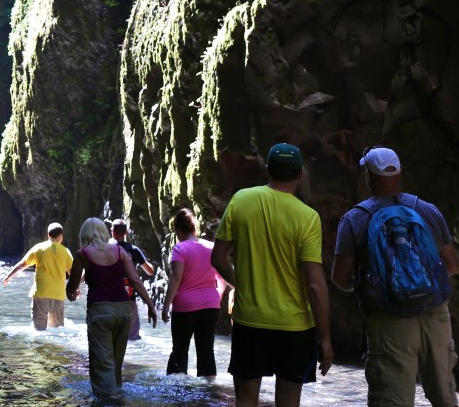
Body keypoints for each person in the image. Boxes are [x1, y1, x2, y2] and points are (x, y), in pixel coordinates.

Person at [331, 147, 459, 407]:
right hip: (435, 313)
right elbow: (453, 266)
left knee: (392, 399)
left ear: (368, 176)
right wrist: (421, 284)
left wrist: (381, 285)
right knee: (444, 397)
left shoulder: (355, 219)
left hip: (389, 319)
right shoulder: (428, 211)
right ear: (399, 173)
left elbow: (340, 278)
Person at [211, 142, 333, 407]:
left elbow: (218, 259)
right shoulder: (308, 217)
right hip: (296, 327)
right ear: (300, 174)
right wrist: (325, 337)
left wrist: (243, 284)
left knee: (245, 400)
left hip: (250, 322)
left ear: (267, 170)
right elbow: (314, 284)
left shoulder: (242, 200)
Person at [67, 216, 157, 400]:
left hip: (100, 312)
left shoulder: (82, 254)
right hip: (124, 311)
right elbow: (136, 280)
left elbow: (72, 286)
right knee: (116, 361)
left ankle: (110, 399)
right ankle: (117, 393)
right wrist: (151, 306)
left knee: (103, 362)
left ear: (84, 234)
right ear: (104, 232)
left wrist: (71, 293)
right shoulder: (119, 251)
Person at [162, 207, 227, 378]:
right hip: (211, 306)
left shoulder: (180, 249)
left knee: (180, 350)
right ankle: (209, 392)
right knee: (206, 350)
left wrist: (166, 306)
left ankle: (176, 392)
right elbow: (223, 279)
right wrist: (216, 297)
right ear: (194, 228)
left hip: (185, 307)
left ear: (178, 231)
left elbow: (176, 277)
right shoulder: (212, 247)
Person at [2, 222, 75, 331]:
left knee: (39, 330)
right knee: (57, 330)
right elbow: (73, 273)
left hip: (41, 292)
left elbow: (22, 264)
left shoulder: (39, 248)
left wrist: (8, 277)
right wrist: (75, 289)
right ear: (60, 236)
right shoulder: (65, 252)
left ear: (48, 235)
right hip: (58, 294)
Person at [110, 218, 157, 341]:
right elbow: (150, 271)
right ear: (126, 232)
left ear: (112, 232)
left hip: (108, 299)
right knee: (131, 337)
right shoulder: (133, 250)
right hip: (128, 298)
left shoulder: (105, 249)